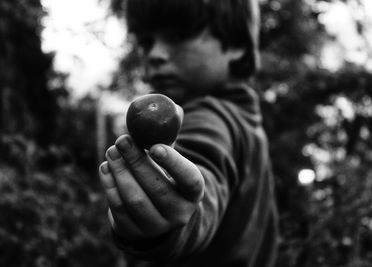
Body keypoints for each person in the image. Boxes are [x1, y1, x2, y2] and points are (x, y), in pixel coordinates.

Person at [98, 0, 279, 266]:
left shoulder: (213, 119)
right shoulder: (247, 121)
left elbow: (204, 175)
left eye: (177, 36)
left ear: (237, 44)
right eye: (147, 42)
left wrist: (177, 220)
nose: (155, 54)